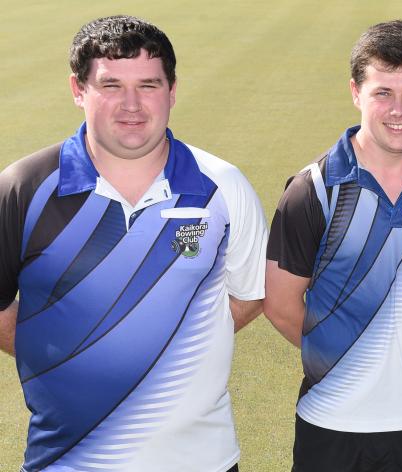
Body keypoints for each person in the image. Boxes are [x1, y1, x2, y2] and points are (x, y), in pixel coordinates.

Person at [0, 15, 267, 472]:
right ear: (78, 89)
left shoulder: (223, 186)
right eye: (110, 85)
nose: (132, 104)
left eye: (148, 84)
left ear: (172, 90)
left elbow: (249, 295)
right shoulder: (23, 188)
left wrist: (163, 343)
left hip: (201, 461)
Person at [264, 19, 402, 472]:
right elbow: (280, 302)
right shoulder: (313, 188)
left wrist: (400, 334)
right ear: (356, 92)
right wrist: (349, 353)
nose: (398, 110)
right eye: (382, 93)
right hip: (333, 418)